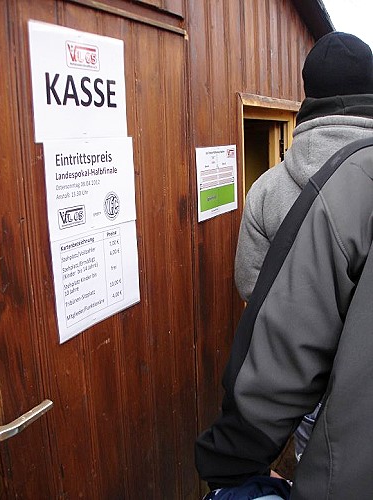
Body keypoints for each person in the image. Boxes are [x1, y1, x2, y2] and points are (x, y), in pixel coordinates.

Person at [195, 32, 373, 499]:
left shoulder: (268, 190)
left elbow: (252, 289)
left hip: (298, 394)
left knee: (315, 458)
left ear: (307, 95)